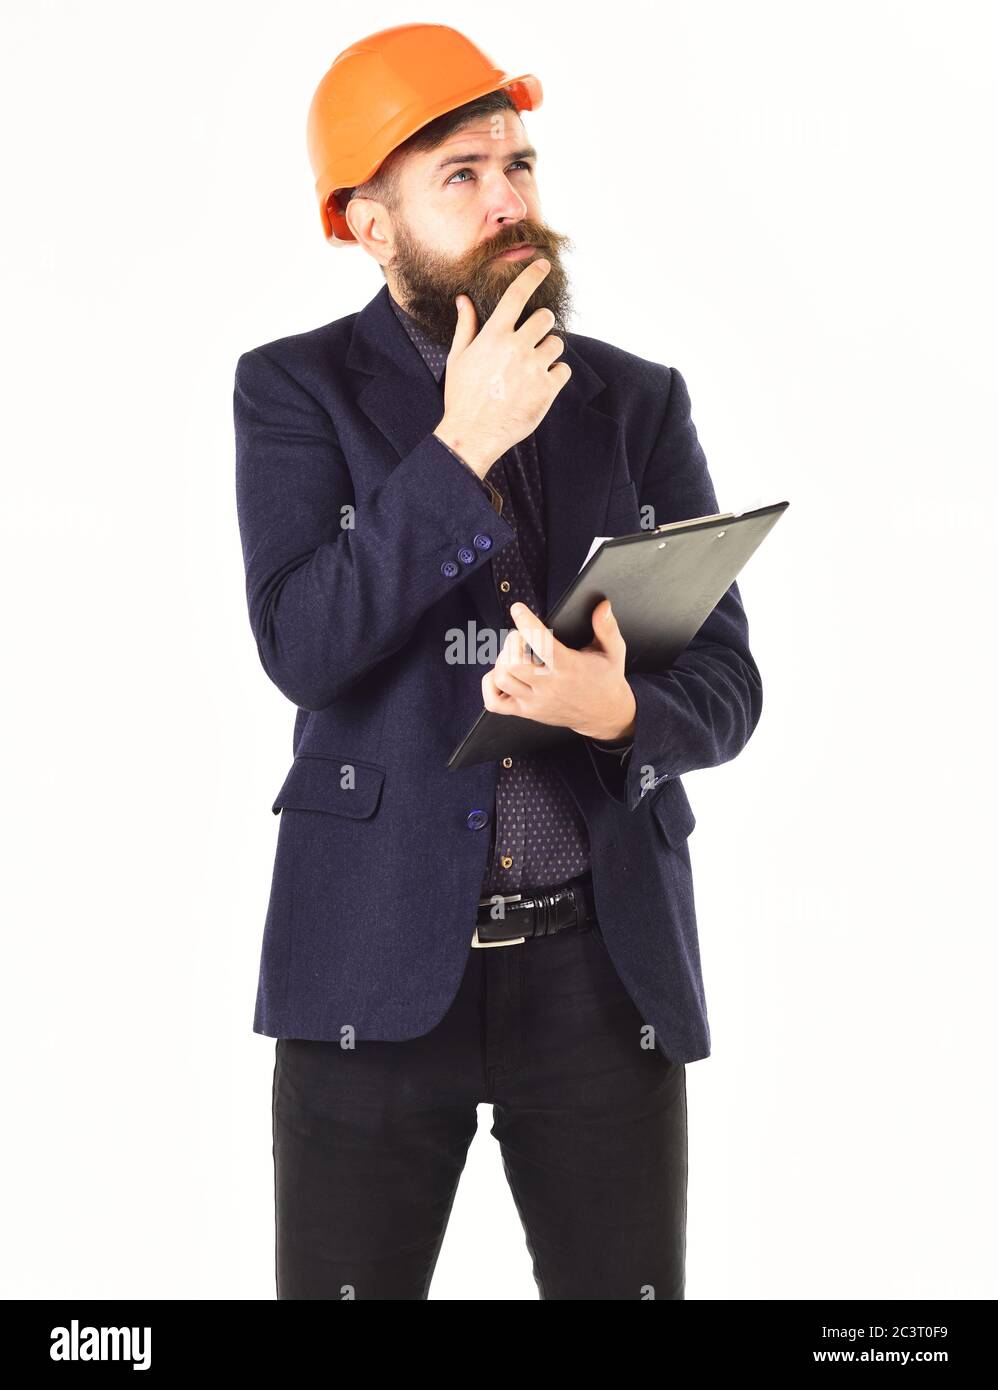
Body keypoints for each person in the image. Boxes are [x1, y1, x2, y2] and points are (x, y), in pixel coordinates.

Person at [233, 23, 763, 1300]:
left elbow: (728, 685)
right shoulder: (292, 391)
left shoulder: (636, 401)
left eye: (516, 163)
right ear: (370, 223)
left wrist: (620, 705)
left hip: (597, 969)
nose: (507, 199)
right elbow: (303, 646)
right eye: (458, 176)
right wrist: (456, 449)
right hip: (369, 960)